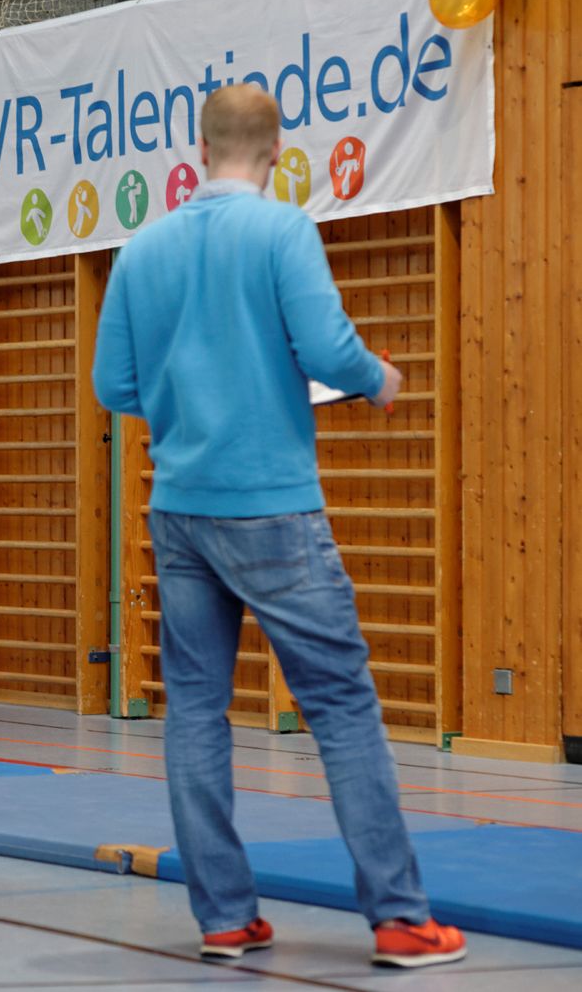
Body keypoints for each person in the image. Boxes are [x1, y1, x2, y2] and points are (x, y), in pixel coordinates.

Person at [90, 85, 465, 969]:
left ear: (198, 148)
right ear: (278, 150)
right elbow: (327, 350)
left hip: (179, 509)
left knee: (195, 711)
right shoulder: (282, 230)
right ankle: (399, 917)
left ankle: (225, 917)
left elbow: (114, 386)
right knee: (340, 704)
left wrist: (189, 407)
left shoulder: (144, 250)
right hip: (271, 508)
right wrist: (376, 377)